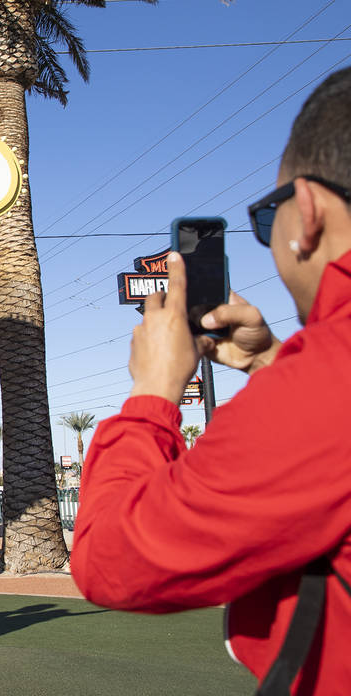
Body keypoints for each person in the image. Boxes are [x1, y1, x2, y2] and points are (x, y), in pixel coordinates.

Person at [71, 68, 351, 694]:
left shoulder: (324, 389)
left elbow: (111, 561)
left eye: (265, 217)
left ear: (306, 211)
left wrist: (152, 394)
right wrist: (271, 362)